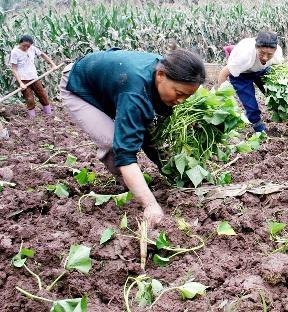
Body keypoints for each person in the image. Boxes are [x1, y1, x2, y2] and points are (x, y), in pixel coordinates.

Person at [59, 48, 205, 225]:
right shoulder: (135, 92)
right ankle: (130, 187)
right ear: (160, 75)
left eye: (187, 96)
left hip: (113, 85)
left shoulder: (163, 74)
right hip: (78, 86)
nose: (181, 101)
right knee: (113, 142)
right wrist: (150, 204)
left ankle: (166, 177)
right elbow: (125, 153)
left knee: (146, 133)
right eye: (179, 93)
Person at [217, 31, 284, 132]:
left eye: (269, 54)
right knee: (250, 104)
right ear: (256, 48)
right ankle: (257, 125)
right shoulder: (245, 56)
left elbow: (279, 70)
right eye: (262, 53)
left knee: (274, 92)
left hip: (260, 70)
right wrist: (221, 96)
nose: (265, 57)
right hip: (241, 74)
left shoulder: (277, 53)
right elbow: (223, 73)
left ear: (275, 50)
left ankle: (287, 115)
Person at [10, 35, 57, 118]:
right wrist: (20, 83)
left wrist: (52, 64)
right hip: (23, 79)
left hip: (34, 77)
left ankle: (48, 113)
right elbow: (14, 69)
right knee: (29, 99)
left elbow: (43, 55)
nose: (26, 48)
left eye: (28, 46)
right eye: (24, 45)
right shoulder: (15, 52)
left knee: (42, 94)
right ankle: (33, 118)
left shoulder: (32, 48)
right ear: (20, 43)